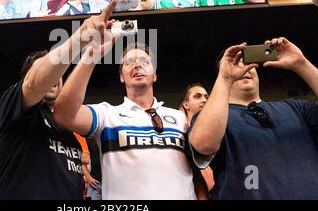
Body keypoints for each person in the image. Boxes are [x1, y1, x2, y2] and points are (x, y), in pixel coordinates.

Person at [0, 2, 118, 199]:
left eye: (59, 71)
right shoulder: (16, 107)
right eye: (47, 69)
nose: (54, 77)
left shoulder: (66, 125)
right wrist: (81, 36)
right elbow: (34, 83)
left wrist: (92, 55)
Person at [53, 42, 210, 199]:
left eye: (144, 61)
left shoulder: (179, 117)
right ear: (122, 76)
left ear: (154, 75)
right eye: (129, 63)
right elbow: (64, 114)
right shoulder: (106, 115)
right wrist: (90, 57)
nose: (137, 65)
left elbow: (195, 174)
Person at [189, 37, 318, 199]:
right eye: (236, 63)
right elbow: (203, 144)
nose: (244, 68)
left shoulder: (297, 108)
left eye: (247, 62)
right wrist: (225, 78)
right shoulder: (214, 118)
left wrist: (302, 64)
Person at [178, 83, 214, 192]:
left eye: (206, 97)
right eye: (198, 96)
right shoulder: (178, 133)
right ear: (186, 105)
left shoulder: (218, 132)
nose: (204, 100)